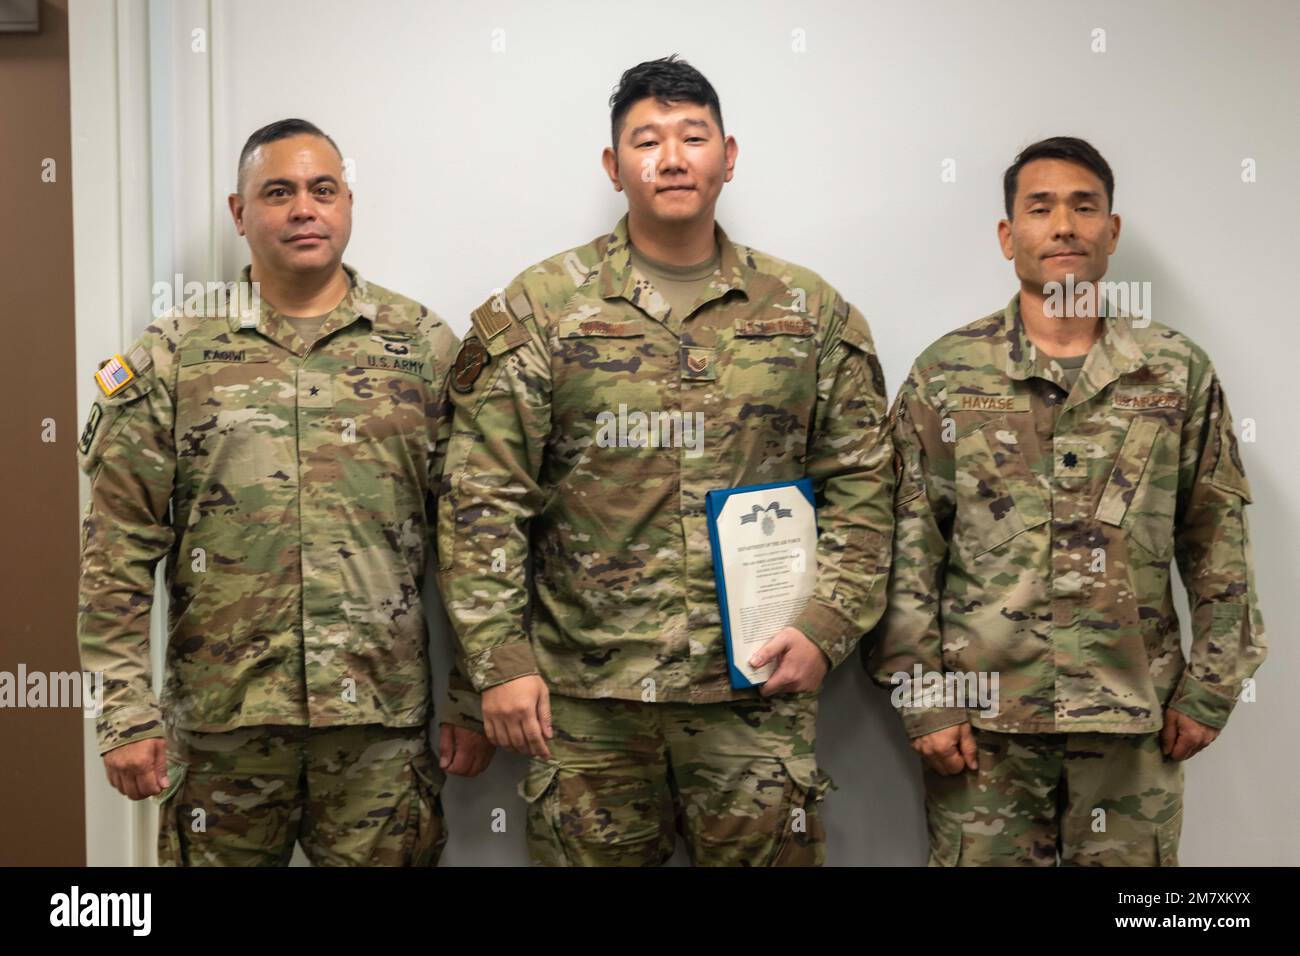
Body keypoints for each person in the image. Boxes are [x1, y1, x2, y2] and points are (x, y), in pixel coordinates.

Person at [437, 56, 893, 866]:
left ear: (729, 156)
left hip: (754, 692)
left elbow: (863, 485)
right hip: (583, 701)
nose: (673, 157)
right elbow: (482, 497)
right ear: (614, 168)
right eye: (647, 141)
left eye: (693, 137)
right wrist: (498, 663)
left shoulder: (808, 312)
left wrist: (827, 627)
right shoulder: (543, 307)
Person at [76, 118, 493, 866]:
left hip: (380, 731)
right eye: (279, 191)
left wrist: (471, 691)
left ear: (347, 204)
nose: (305, 208)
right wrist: (125, 715)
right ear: (240, 214)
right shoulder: (175, 355)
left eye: (322, 189)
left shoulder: (420, 348)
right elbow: (118, 546)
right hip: (222, 732)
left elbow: (471, 535)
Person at [865, 136, 1266, 866]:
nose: (1063, 227)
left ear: (1112, 233)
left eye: (1085, 207)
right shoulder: (948, 374)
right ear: (1006, 233)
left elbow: (1218, 541)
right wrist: (923, 696)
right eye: (1039, 207)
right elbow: (905, 547)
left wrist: (1211, 689)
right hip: (983, 734)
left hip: (1133, 728)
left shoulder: (1174, 374)